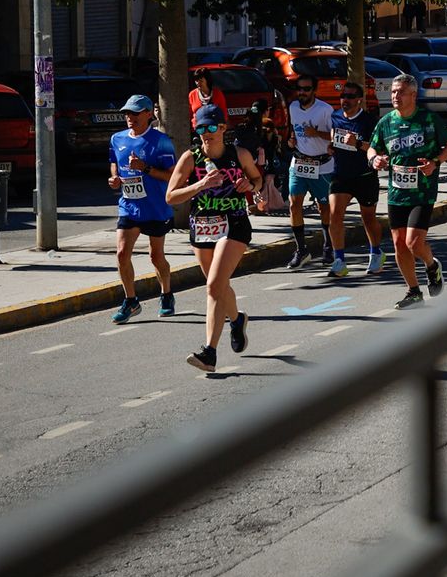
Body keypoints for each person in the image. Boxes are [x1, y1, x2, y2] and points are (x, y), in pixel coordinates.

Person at [166, 104, 261, 373]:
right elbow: (170, 196)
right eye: (200, 128)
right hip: (202, 227)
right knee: (217, 285)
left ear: (222, 128)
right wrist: (200, 185)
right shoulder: (190, 159)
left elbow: (257, 179)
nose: (206, 134)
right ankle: (237, 319)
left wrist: (249, 186)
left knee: (213, 286)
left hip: (234, 225)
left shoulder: (238, 154)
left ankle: (209, 352)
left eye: (211, 128)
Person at [368, 75, 447, 308]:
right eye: (393, 92)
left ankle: (431, 265)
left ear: (413, 95)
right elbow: (372, 148)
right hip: (397, 192)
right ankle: (413, 292)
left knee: (414, 243)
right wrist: (375, 160)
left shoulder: (428, 119)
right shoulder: (386, 122)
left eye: (401, 92)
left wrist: (435, 163)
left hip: (423, 191)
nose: (395, 96)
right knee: (398, 244)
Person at [107, 95, 176, 323]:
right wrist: (115, 177)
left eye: (135, 113)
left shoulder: (161, 141)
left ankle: (166, 294)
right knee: (121, 253)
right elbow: (114, 161)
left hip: (156, 207)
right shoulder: (117, 139)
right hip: (129, 205)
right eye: (127, 113)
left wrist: (145, 168)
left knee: (156, 257)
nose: (130, 117)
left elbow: (172, 176)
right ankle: (131, 300)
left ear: (149, 114)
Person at [328, 82, 384, 278]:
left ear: (359, 100)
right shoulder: (334, 116)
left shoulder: (369, 121)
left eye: (350, 96)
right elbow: (334, 136)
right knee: (334, 215)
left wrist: (357, 143)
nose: (346, 100)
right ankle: (339, 260)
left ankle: (376, 252)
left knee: (368, 218)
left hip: (364, 176)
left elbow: (377, 148)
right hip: (340, 174)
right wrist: (331, 145)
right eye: (343, 96)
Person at [284, 77, 335, 268]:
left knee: (324, 208)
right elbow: (294, 131)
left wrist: (317, 134)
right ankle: (301, 250)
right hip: (299, 162)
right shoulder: (293, 107)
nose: (302, 93)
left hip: (322, 164)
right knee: (294, 204)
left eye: (306, 89)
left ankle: (328, 246)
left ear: (314, 90)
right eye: (299, 89)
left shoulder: (325, 109)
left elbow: (334, 135)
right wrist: (291, 140)